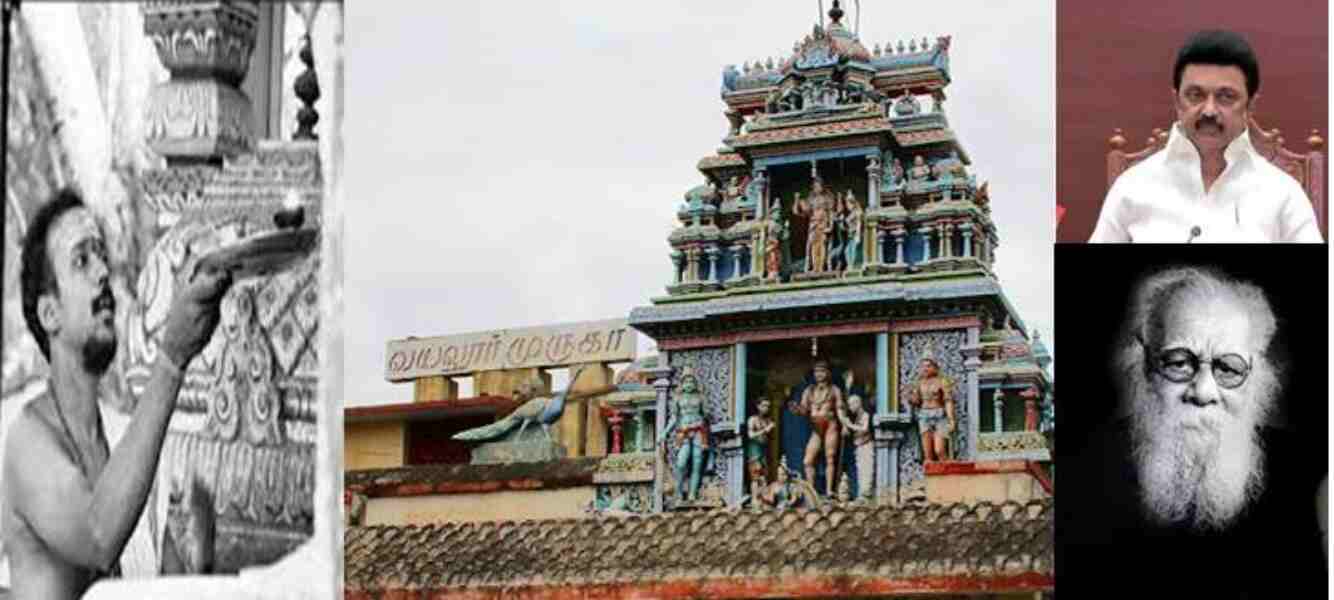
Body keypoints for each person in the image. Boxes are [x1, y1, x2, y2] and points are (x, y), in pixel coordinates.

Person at [2, 190, 233, 599]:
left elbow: (167, 589)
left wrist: (203, 563)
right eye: (81, 260)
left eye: (101, 255)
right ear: (49, 313)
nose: (103, 272)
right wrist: (171, 359)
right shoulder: (24, 438)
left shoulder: (126, 437)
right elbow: (98, 537)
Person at [1063, 266, 1325, 596]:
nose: (1203, 392)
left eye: (1228, 368)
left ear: (1256, 376)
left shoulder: (1308, 473)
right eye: (1179, 363)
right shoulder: (1082, 472)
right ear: (1147, 367)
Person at [1088, 30, 1323, 243]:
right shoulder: (1132, 187)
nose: (1209, 110)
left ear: (1250, 106)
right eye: (1195, 95)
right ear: (1177, 101)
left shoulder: (1283, 193)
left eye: (1226, 96)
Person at [788, 360, 843, 496]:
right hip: (816, 428)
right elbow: (803, 410)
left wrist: (845, 425)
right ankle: (812, 491)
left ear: (828, 373)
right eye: (816, 371)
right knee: (808, 460)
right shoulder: (809, 390)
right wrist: (796, 409)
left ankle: (829, 490)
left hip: (830, 426)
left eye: (822, 371)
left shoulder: (834, 390)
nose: (819, 374)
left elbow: (840, 410)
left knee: (830, 457)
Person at [907, 357, 955, 462]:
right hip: (924, 416)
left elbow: (948, 400)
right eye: (923, 366)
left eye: (928, 366)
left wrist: (951, 419)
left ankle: (946, 467)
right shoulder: (919, 383)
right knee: (928, 455)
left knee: (939, 450)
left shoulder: (942, 381)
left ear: (935, 368)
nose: (925, 369)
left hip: (939, 415)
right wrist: (910, 398)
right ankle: (930, 470)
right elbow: (917, 401)